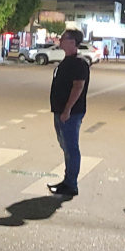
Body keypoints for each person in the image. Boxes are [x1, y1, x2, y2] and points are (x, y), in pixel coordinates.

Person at [47, 29, 91, 197]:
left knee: (71, 148)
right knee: (65, 146)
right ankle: (67, 181)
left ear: (73, 42)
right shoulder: (67, 61)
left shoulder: (79, 63)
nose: (60, 40)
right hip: (60, 111)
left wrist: (67, 110)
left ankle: (71, 184)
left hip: (70, 113)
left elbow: (78, 86)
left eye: (63, 38)